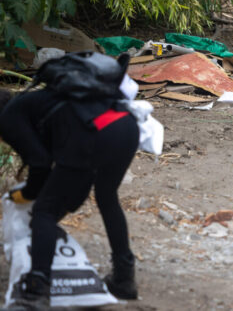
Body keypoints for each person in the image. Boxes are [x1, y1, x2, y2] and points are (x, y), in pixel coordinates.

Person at [0, 52, 141, 310]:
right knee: (107, 196)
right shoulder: (39, 104)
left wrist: (27, 195)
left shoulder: (10, 117)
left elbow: (41, 164)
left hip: (94, 134)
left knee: (44, 210)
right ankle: (124, 278)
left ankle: (36, 289)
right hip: (125, 126)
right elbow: (72, 181)